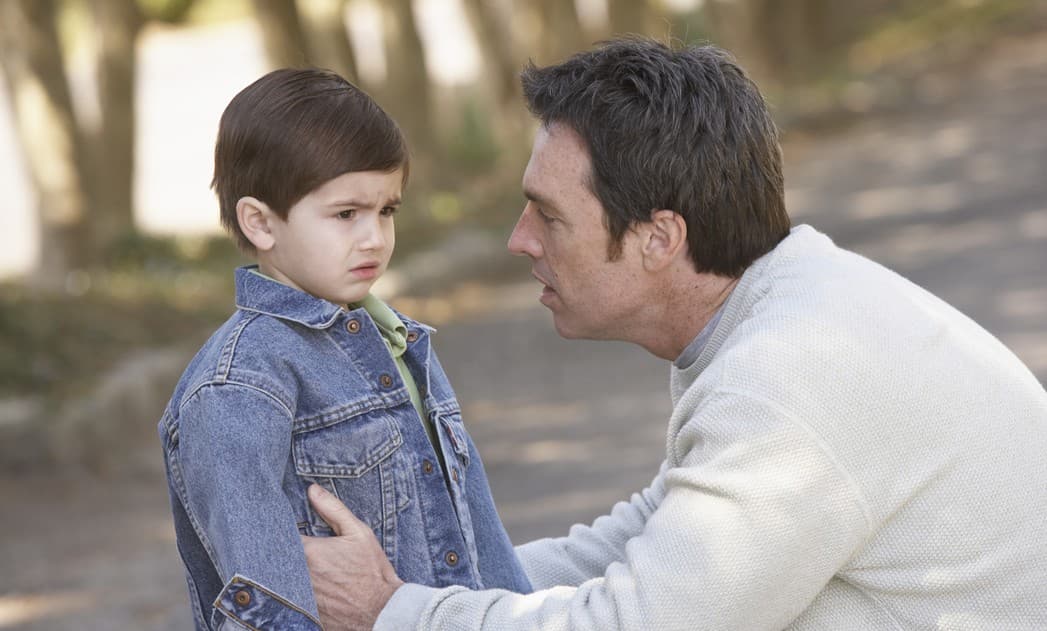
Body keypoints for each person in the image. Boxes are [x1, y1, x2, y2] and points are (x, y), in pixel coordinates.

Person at [298, 38, 1047, 630]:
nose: (519, 240)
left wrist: (390, 612)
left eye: (548, 214)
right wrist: (422, 576)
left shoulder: (786, 379)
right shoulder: (785, 306)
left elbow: (640, 619)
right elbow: (643, 541)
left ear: (659, 238)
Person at [156, 68, 531, 631]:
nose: (375, 238)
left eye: (387, 211)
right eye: (345, 214)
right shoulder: (237, 387)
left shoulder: (401, 343)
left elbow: (480, 545)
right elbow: (262, 600)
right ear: (259, 222)